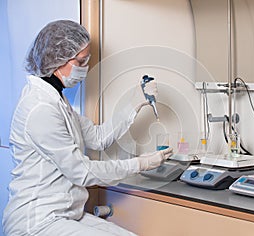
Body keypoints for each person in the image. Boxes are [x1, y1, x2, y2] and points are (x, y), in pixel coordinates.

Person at [2, 20, 173, 236]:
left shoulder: (57, 101)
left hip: (65, 214)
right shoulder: (40, 109)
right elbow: (81, 172)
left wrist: (135, 102)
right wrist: (140, 163)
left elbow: (99, 137)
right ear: (56, 61)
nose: (86, 68)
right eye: (81, 62)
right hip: (37, 221)